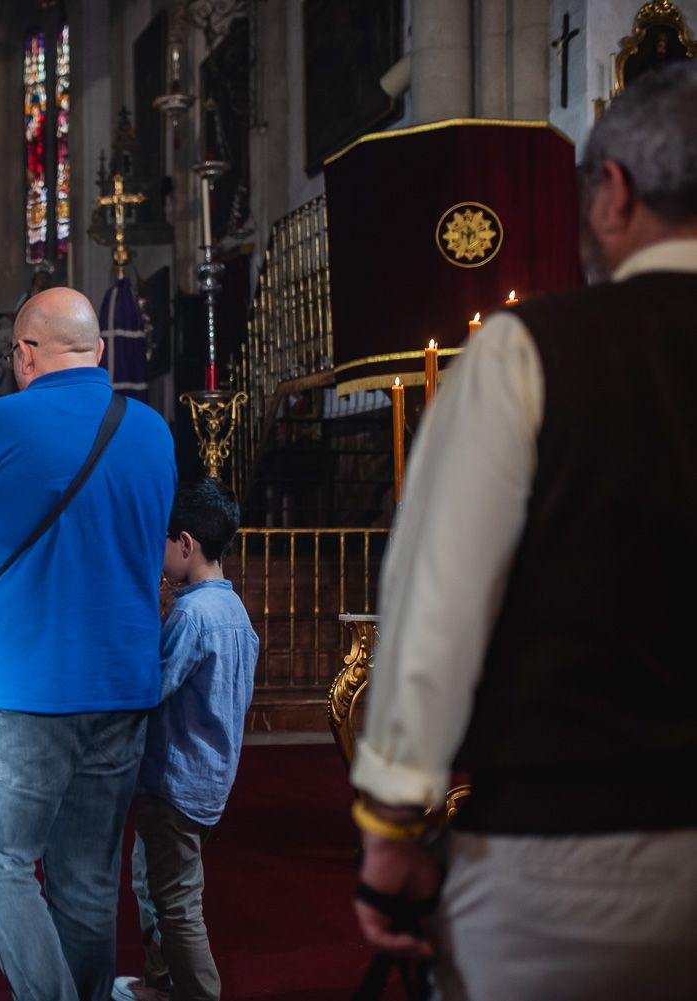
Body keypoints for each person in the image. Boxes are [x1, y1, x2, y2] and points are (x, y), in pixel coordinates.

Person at [350, 63, 697, 1000]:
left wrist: (391, 824)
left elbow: (438, 608)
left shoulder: (529, 352)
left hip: (572, 863)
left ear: (614, 191)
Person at [0, 287, 177, 1001]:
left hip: (23, 685)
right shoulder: (153, 430)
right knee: (88, 879)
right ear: (98, 352)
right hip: (125, 683)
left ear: (24, 354)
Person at [115, 479, 257, 1001]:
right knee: (153, 885)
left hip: (175, 782)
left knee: (176, 904)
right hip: (208, 777)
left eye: (162, 542)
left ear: (186, 543)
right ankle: (161, 984)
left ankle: (197, 994)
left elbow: (152, 687)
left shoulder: (192, 615)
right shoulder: (234, 610)